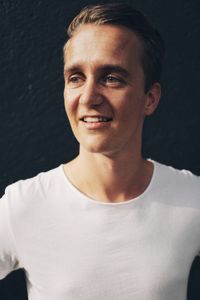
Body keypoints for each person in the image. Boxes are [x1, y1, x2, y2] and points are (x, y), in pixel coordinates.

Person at [0, 3, 199, 300]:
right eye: (76, 77)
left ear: (150, 98)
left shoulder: (192, 199)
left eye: (112, 78)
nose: (89, 97)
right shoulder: (23, 206)